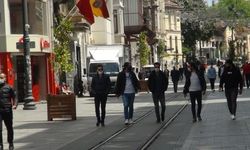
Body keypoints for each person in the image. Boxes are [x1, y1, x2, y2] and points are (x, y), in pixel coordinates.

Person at [0, 73, 17, 150]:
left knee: (9, 127)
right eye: (0, 77)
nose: (1, 79)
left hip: (7, 110)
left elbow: (15, 97)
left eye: (2, 77)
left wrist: (15, 105)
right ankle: (0, 144)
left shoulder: (9, 87)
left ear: (5, 78)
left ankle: (11, 143)